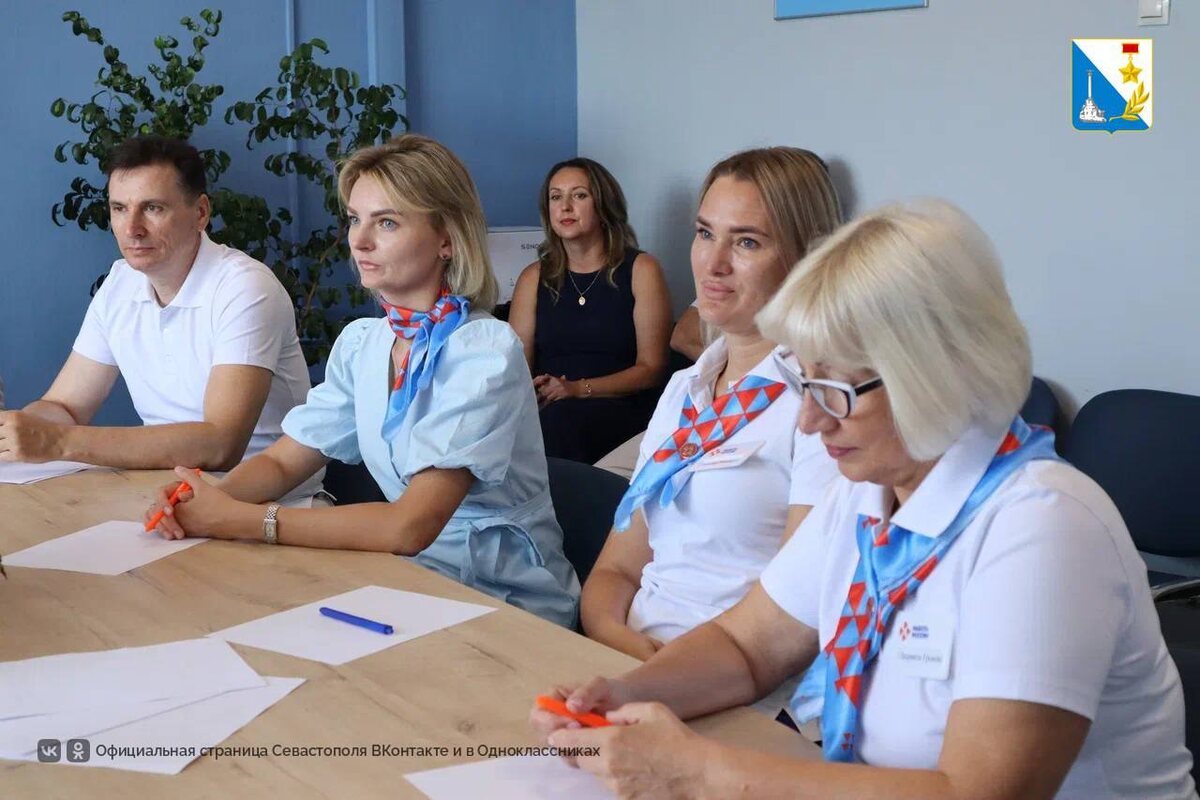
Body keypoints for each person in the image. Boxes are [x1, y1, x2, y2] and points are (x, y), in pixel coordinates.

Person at [530, 200, 1197, 799]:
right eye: (806, 384)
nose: (810, 422)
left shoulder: (1044, 530)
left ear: (932, 374)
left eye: (837, 392)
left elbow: (978, 792)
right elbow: (747, 645)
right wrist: (623, 695)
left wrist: (700, 773)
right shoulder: (869, 493)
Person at [146, 134, 580, 628]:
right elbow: (283, 461)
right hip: (411, 578)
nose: (359, 241)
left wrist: (243, 520)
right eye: (355, 219)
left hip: (502, 600)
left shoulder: (483, 353)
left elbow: (409, 526)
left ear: (447, 239)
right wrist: (202, 500)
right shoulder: (365, 343)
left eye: (387, 222)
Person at [579, 147, 842, 705]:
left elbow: (793, 620)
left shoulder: (824, 405)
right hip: (628, 668)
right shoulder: (686, 388)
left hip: (736, 693)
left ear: (806, 260)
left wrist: (653, 679)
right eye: (705, 233)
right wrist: (621, 648)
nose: (712, 263)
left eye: (746, 242)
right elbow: (617, 569)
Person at [0, 136, 317, 497]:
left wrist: (58, 441)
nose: (132, 228)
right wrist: (14, 434)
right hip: (161, 494)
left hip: (271, 505)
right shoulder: (120, 283)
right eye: (119, 208)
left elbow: (221, 444)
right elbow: (64, 407)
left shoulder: (245, 287)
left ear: (200, 213)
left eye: (152, 208)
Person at [508, 158, 672, 464]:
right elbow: (518, 369)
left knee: (561, 426)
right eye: (556, 197)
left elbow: (652, 369)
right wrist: (534, 392)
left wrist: (576, 389)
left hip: (619, 405)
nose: (565, 207)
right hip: (550, 406)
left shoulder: (642, 270)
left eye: (579, 195)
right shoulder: (533, 277)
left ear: (603, 204)